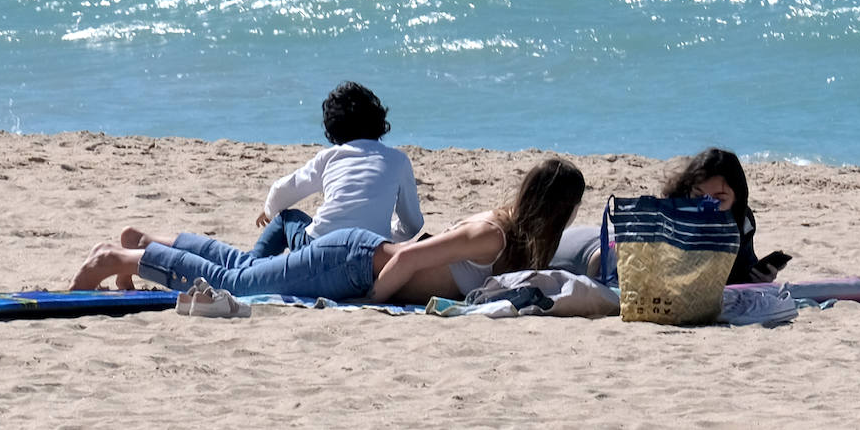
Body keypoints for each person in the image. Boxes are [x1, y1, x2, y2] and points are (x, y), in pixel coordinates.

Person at [70, 156, 586, 304]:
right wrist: (370, 300)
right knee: (240, 286)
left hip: (352, 258)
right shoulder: (492, 235)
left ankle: (152, 243)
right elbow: (408, 258)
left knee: (245, 269)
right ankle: (117, 260)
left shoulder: (509, 241)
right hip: (352, 262)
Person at [550, 147, 782, 285]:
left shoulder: (742, 222)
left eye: (719, 198)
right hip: (592, 255)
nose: (706, 206)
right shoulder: (674, 216)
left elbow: (740, 265)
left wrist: (757, 276)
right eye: (698, 196)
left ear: (737, 198)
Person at [247, 81, 424, 258]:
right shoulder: (398, 160)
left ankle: (251, 265)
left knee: (288, 218)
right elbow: (413, 224)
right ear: (378, 119)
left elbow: (283, 189)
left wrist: (270, 210)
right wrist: (385, 232)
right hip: (370, 257)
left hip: (320, 249)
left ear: (333, 126)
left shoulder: (331, 156)